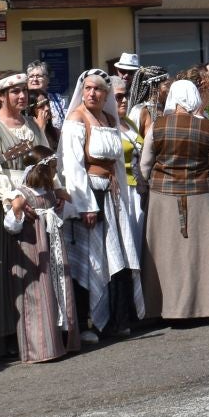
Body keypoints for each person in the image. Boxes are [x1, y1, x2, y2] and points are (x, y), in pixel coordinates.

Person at [0, 72, 74, 363]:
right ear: (1, 96)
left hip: (33, 199)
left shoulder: (31, 125)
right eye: (14, 92)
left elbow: (44, 161)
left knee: (36, 269)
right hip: (1, 204)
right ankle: (4, 338)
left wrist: (54, 189)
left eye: (23, 91)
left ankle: (35, 332)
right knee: (4, 271)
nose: (21, 96)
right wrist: (14, 199)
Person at [61, 68, 146, 339]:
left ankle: (117, 319)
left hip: (112, 194)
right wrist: (85, 205)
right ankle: (91, 322)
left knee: (117, 255)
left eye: (97, 89)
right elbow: (73, 166)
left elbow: (118, 163)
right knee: (92, 259)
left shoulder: (109, 118)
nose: (92, 93)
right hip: (91, 195)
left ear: (105, 94)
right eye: (87, 88)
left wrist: (120, 191)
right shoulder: (76, 119)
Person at [138, 79, 209, 322]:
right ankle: (205, 306)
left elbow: (145, 165)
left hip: (161, 197)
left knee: (164, 254)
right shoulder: (208, 128)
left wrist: (142, 189)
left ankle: (162, 307)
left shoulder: (157, 126)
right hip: (199, 196)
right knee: (199, 254)